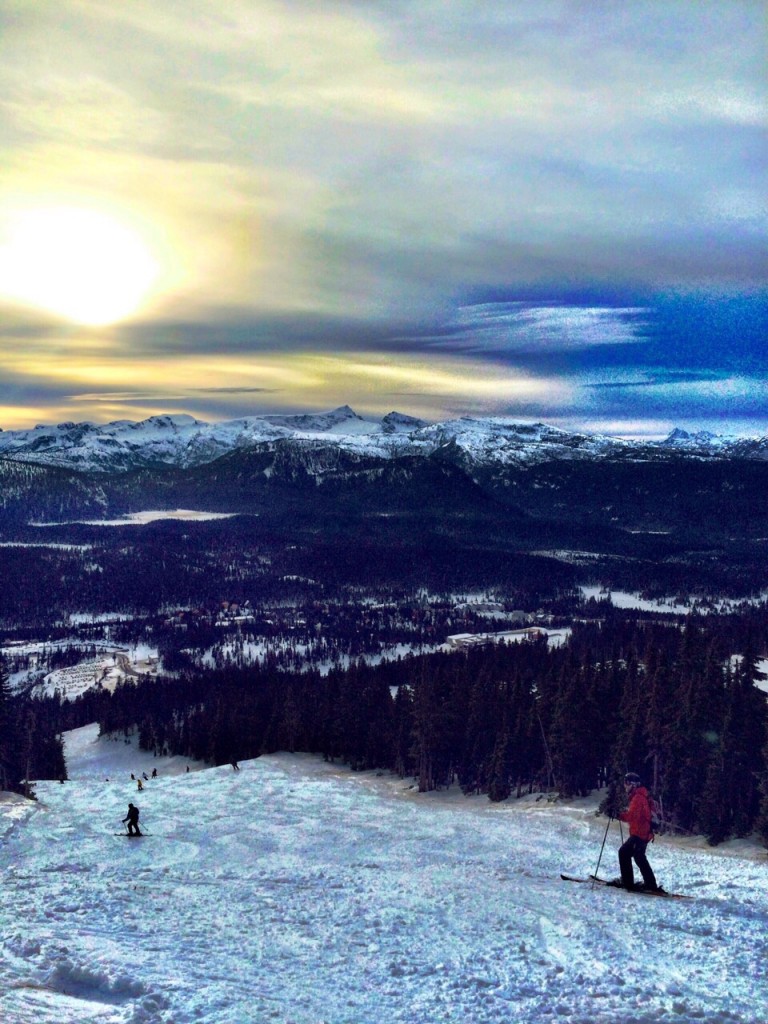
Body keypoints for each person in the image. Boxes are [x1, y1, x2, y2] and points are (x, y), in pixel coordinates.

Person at [617, 772, 660, 891]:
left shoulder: (638, 798)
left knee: (624, 853)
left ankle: (628, 883)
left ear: (633, 785)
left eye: (626, 783)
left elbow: (632, 816)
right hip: (643, 833)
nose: (625, 786)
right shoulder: (639, 796)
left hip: (640, 834)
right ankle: (650, 884)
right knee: (638, 856)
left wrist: (619, 815)